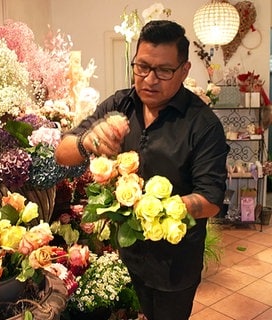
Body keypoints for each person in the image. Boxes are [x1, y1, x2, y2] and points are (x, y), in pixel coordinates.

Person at [55, 20, 229, 320]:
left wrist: (155, 210)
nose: (150, 79)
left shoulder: (203, 124)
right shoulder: (120, 104)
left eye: (163, 71)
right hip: (132, 253)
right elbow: (62, 153)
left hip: (176, 261)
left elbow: (211, 198)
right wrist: (89, 142)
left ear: (184, 71)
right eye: (142, 67)